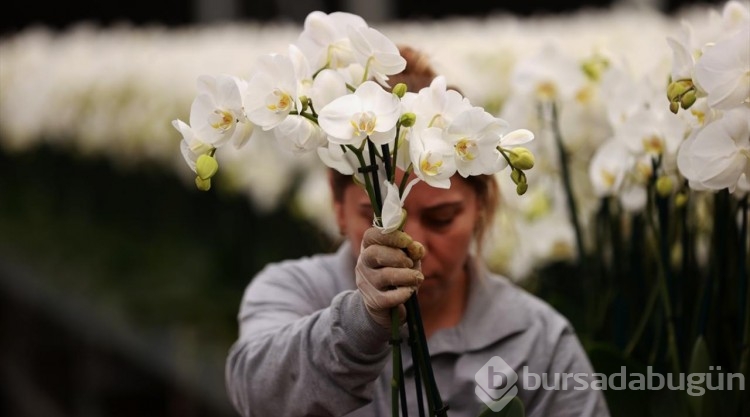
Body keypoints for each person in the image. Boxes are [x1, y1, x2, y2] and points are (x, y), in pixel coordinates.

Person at [225, 46, 611, 417]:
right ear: (337, 206)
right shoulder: (290, 293)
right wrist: (362, 323)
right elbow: (256, 397)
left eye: (441, 218)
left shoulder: (536, 341)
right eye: (379, 221)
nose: (415, 246)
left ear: (480, 207)